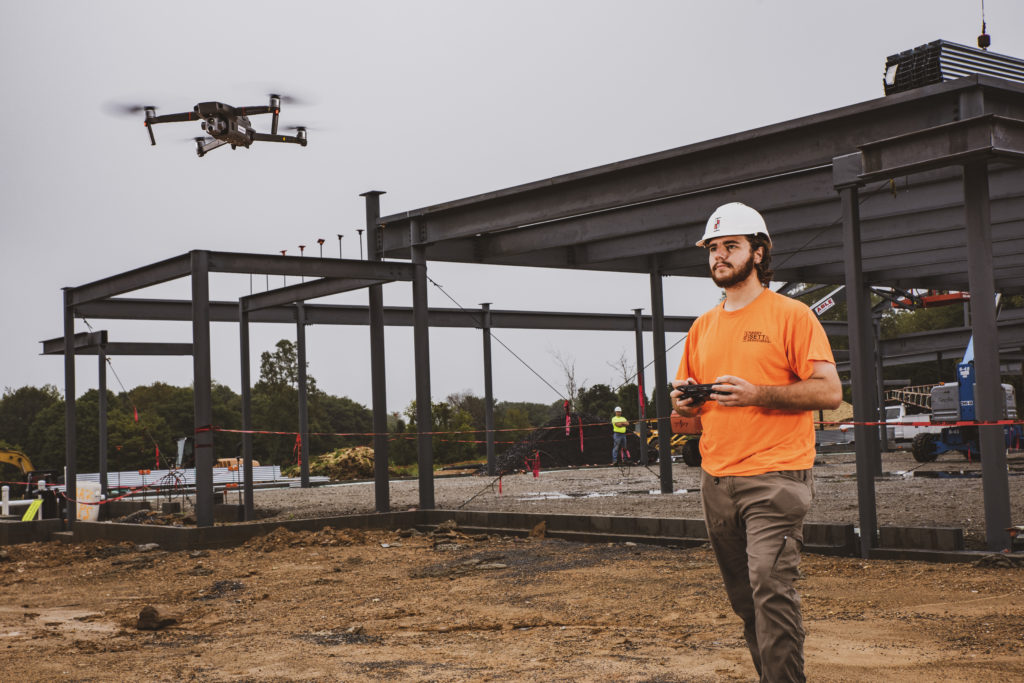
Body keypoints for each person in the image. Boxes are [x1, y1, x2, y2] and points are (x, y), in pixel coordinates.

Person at [671, 202, 842, 682]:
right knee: (747, 600)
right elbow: (687, 411)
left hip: (775, 476)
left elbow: (829, 392)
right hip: (717, 481)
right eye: (712, 248)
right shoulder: (702, 326)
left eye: (730, 246)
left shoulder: (792, 315)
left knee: (770, 586)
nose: (718, 257)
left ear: (759, 252)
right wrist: (684, 406)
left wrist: (758, 393)